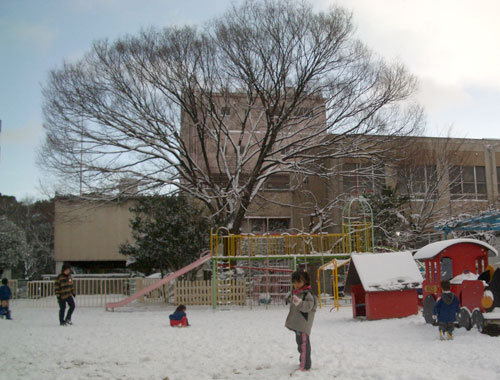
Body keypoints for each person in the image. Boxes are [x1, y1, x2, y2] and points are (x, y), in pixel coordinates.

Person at [285, 270, 317, 372]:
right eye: (294, 282)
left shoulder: (307, 294)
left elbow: (308, 307)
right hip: (298, 324)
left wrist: (299, 302)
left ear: (305, 281)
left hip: (303, 325)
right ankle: (303, 362)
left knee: (303, 346)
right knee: (301, 345)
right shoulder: (298, 292)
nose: (296, 285)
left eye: (299, 282)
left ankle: (304, 365)